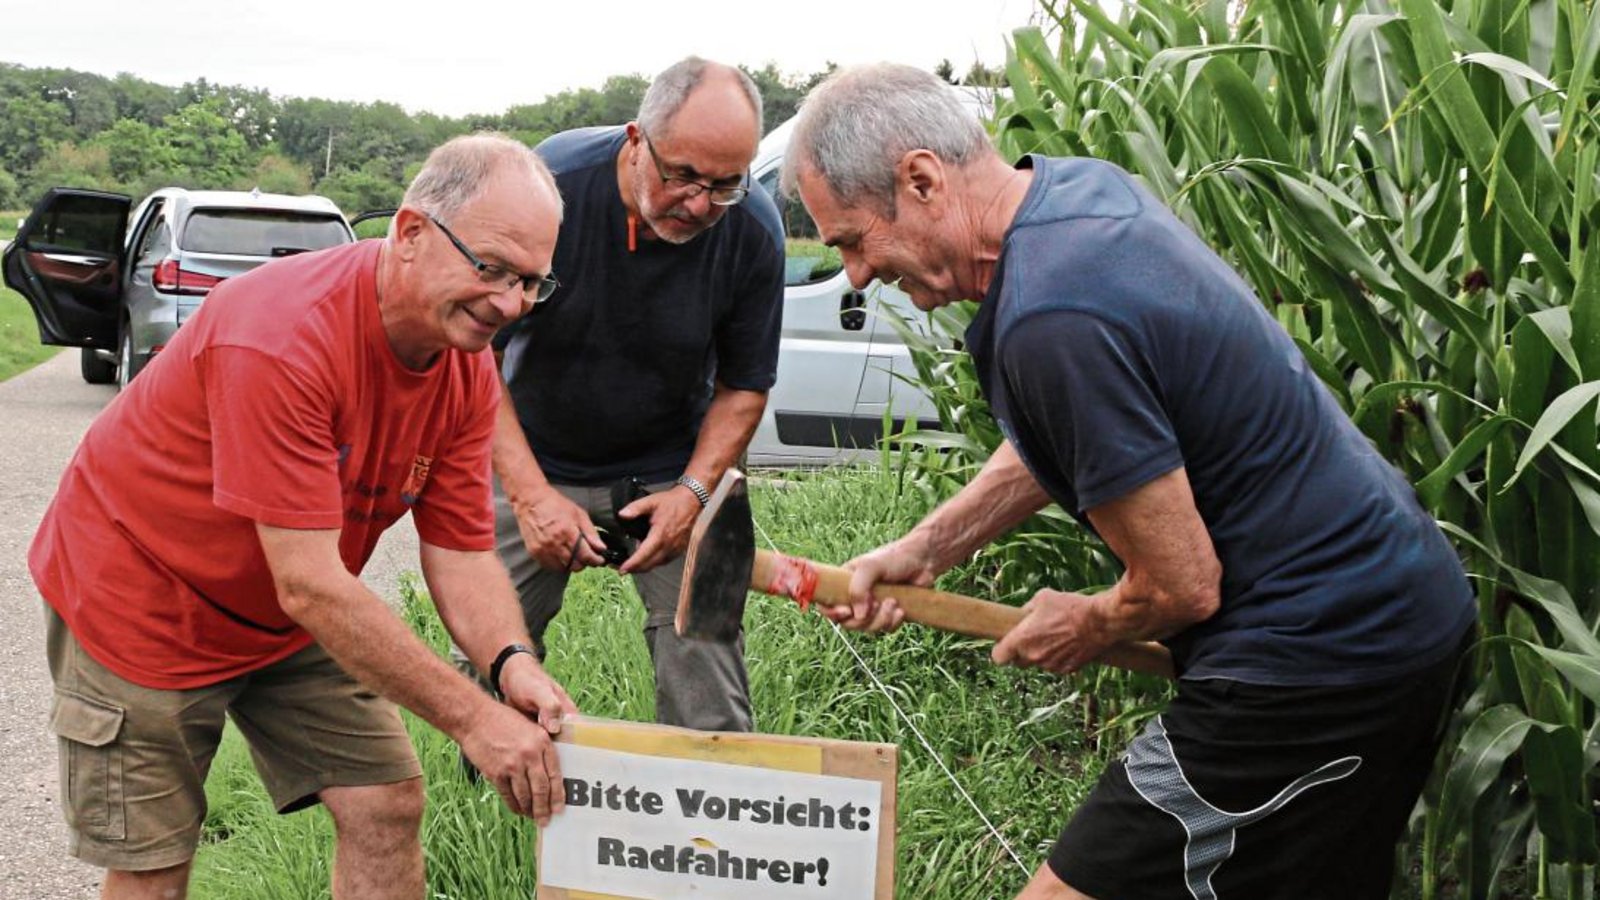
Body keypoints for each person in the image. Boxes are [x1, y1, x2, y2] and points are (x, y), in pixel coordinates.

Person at [782, 64, 1476, 900]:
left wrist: (1087, 622)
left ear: (922, 179)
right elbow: (1093, 435)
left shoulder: (1050, 316)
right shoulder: (1077, 199)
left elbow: (1181, 586)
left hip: (1314, 661)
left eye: (853, 239)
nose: (854, 273)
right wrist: (931, 547)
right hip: (1405, 610)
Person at [33, 133, 577, 899]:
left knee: (387, 802)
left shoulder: (465, 365)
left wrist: (509, 662)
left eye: (532, 283)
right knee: (156, 863)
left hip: (288, 611)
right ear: (412, 232)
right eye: (491, 269)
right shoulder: (283, 335)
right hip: (144, 599)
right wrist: (476, 721)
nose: (510, 303)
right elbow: (312, 583)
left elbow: (459, 550)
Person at [456, 57, 783, 733]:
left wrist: (695, 495)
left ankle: (708, 826)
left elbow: (745, 386)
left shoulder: (751, 229)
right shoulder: (551, 189)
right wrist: (529, 495)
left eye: (725, 184)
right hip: (536, 457)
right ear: (637, 140)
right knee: (491, 653)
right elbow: (472, 356)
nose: (699, 204)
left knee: (707, 658)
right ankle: (490, 809)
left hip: (674, 466)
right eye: (682, 175)